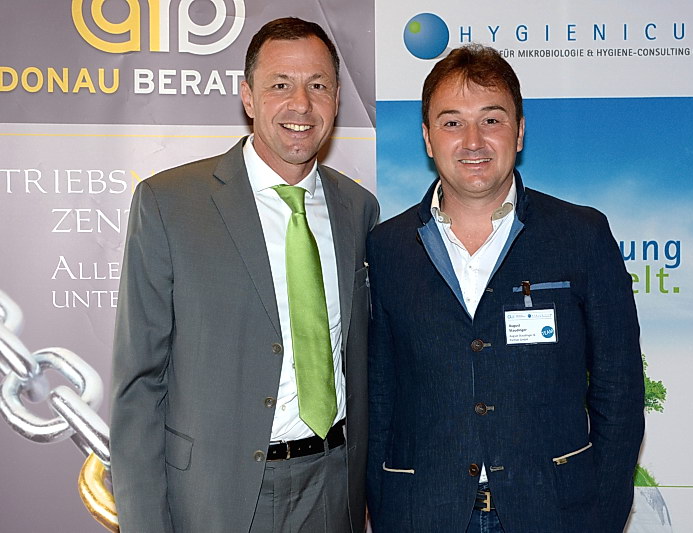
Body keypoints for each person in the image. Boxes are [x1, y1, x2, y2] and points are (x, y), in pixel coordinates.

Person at [110, 17, 378, 533]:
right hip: (216, 496)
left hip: (334, 487)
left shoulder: (358, 208)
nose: (301, 104)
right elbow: (139, 385)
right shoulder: (169, 204)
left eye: (318, 85)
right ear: (248, 97)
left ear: (337, 99)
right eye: (280, 85)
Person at [366, 44, 644, 533]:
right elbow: (379, 398)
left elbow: (618, 389)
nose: (473, 141)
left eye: (491, 120)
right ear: (428, 138)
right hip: (422, 513)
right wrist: (383, 508)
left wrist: (601, 516)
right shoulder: (387, 247)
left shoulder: (581, 235)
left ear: (519, 131)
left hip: (556, 513)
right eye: (452, 123)